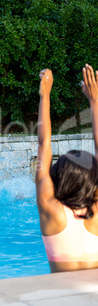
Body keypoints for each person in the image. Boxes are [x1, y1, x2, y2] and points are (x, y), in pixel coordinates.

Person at [36, 64, 98, 273]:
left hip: (59, 299)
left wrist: (45, 95)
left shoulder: (50, 210)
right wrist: (95, 101)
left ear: (57, 177)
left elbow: (44, 145)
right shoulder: (96, 214)